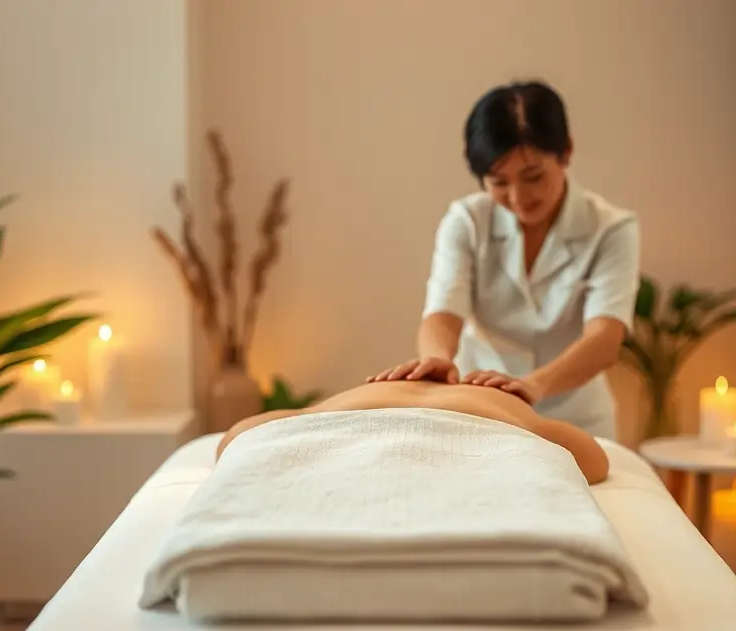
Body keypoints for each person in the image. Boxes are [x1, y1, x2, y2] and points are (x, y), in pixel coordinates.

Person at [373, 81, 640, 441]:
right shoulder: (467, 221)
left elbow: (605, 340)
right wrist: (436, 360)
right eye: (499, 182)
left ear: (566, 152)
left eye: (533, 177)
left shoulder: (610, 229)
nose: (518, 197)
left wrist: (531, 386)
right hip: (483, 410)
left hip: (576, 419)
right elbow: (442, 312)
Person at [215, 377, 610, 485]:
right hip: (486, 424)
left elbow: (234, 442)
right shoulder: (501, 401)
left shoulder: (352, 397)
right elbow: (595, 461)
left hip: (345, 425)